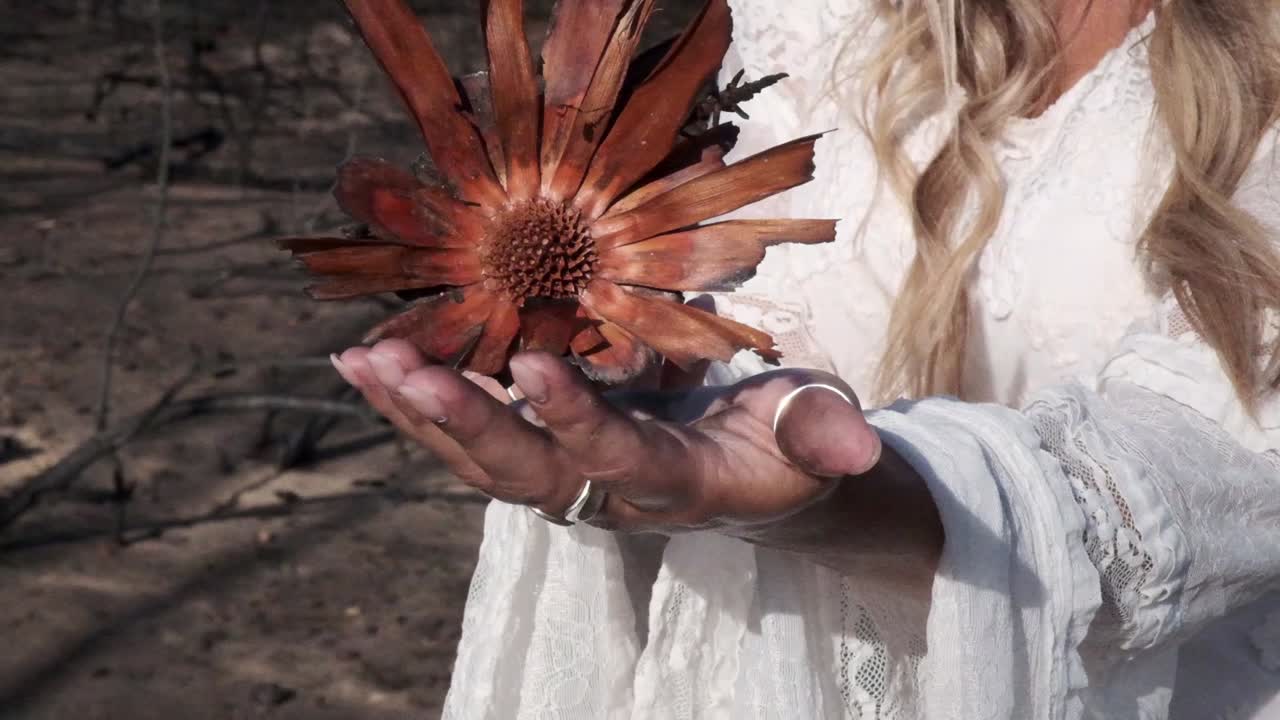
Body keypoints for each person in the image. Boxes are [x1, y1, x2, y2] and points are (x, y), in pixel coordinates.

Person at [330, 0, 1280, 717]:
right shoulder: (825, 21)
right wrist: (632, 376)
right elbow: (756, 302)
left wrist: (824, 492)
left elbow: (1212, 465)